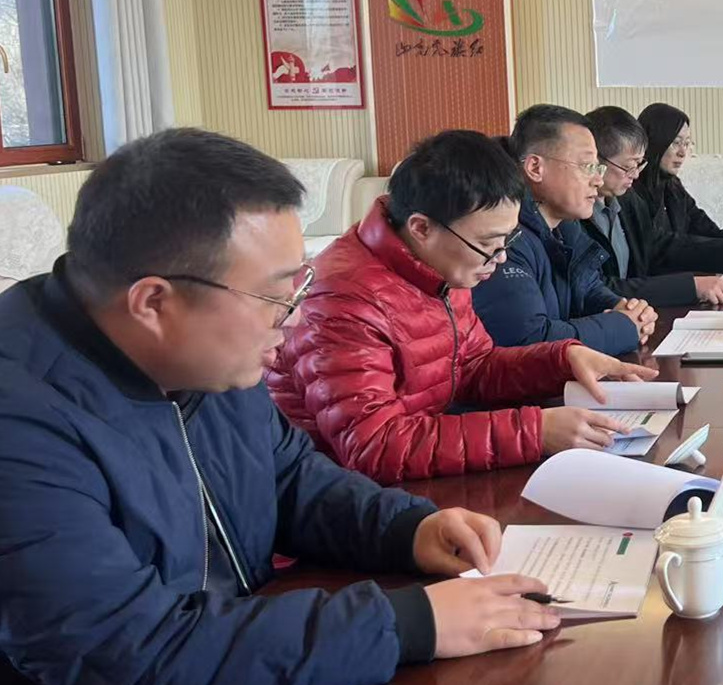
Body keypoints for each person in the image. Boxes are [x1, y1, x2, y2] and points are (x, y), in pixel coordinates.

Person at [0, 130, 563, 685]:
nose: (293, 320)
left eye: (299, 285)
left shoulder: (199, 355)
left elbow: (292, 478)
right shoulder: (23, 419)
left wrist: (409, 529)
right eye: (275, 296)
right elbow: (126, 656)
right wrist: (409, 623)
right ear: (153, 302)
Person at [267, 130, 657, 484]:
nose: (501, 258)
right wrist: (534, 431)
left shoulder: (438, 265)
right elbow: (374, 445)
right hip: (342, 500)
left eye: (507, 240)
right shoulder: (343, 299)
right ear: (422, 227)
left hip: (416, 477)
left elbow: (472, 368)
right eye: (488, 244)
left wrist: (562, 359)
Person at [471, 105, 656, 356]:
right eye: (587, 166)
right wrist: (622, 327)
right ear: (535, 168)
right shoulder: (504, 237)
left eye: (598, 168)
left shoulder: (566, 227)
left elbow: (588, 288)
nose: (597, 180)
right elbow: (529, 339)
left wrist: (627, 310)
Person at [582, 106, 723, 308]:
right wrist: (691, 287)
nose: (635, 174)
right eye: (628, 167)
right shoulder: (576, 213)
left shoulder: (627, 199)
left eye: (639, 164)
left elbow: (659, 246)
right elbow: (595, 289)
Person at [636, 101, 723, 240]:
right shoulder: (632, 189)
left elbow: (700, 223)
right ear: (655, 141)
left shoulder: (673, 185)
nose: (682, 153)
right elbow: (660, 244)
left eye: (686, 143)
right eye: (676, 143)